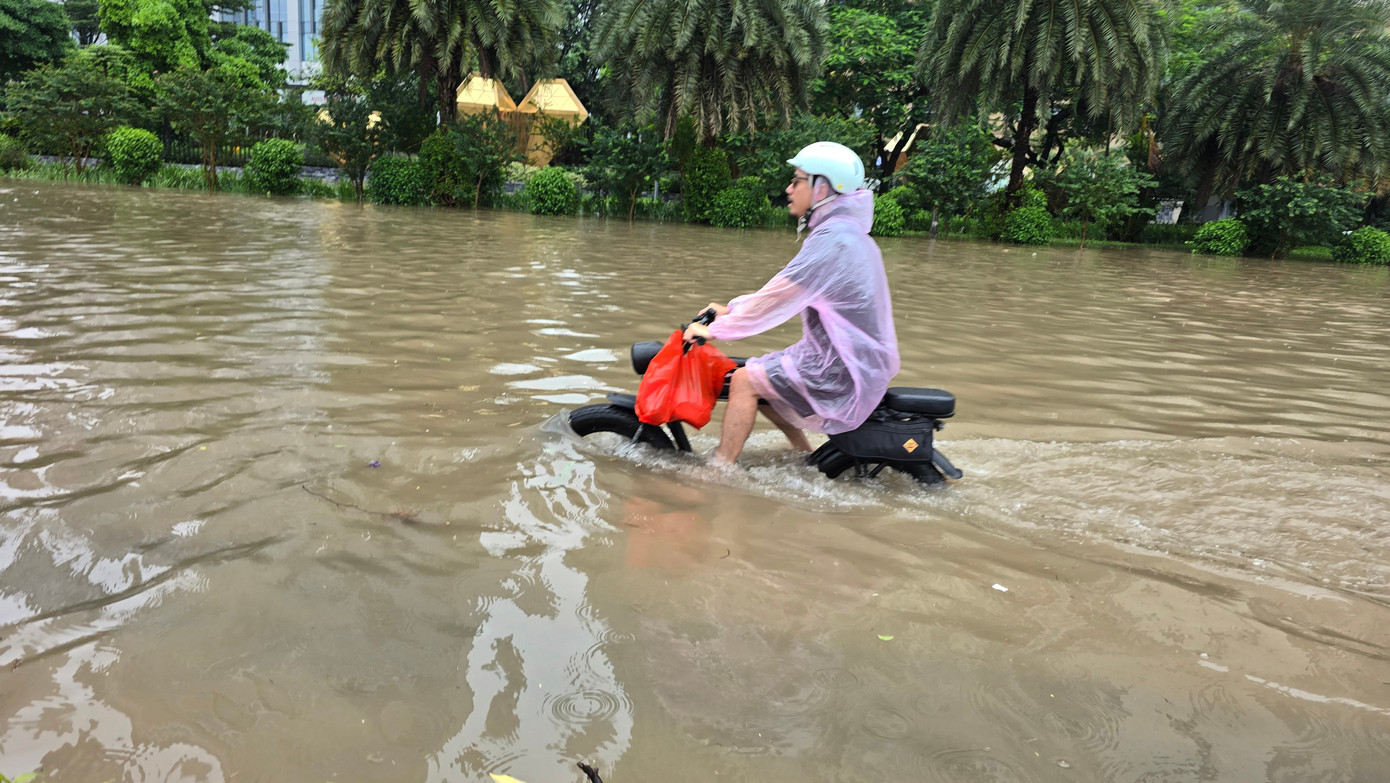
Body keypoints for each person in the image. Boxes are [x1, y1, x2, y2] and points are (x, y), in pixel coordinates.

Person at [682, 141, 900, 465]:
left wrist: (717, 329)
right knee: (761, 373)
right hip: (844, 358)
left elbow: (778, 299)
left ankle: (717, 471)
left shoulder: (835, 240)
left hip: (841, 367)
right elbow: (783, 292)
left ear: (822, 188)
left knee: (744, 380)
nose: (789, 188)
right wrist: (732, 308)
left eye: (797, 180)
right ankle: (805, 457)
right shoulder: (845, 234)